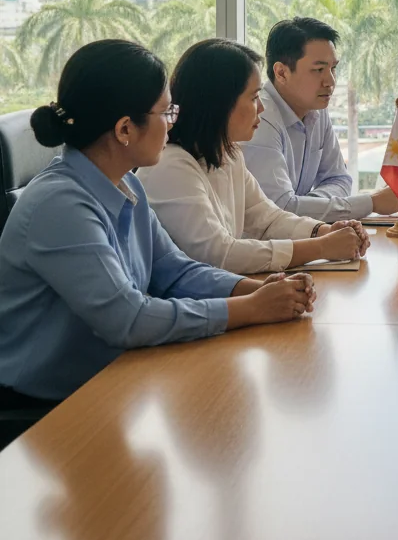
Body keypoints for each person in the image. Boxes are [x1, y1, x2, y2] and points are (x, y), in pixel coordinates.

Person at [0, 39, 316, 418]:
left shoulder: (125, 183)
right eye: (166, 112)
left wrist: (257, 289)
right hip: (46, 407)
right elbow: (129, 319)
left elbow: (174, 271)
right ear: (124, 129)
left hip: (112, 379)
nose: (173, 122)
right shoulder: (60, 205)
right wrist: (249, 308)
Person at [139, 39, 370, 275]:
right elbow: (220, 255)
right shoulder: (171, 166)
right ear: (219, 104)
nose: (261, 107)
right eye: (253, 98)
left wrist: (323, 231)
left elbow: (267, 218)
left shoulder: (229, 154)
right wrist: (320, 248)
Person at [242, 17, 398, 221]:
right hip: (259, 248)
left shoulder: (316, 109)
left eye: (333, 68)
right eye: (318, 70)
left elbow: (339, 179)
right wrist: (372, 203)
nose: (331, 81)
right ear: (281, 72)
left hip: (301, 240)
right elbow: (279, 211)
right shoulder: (259, 118)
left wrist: (308, 204)